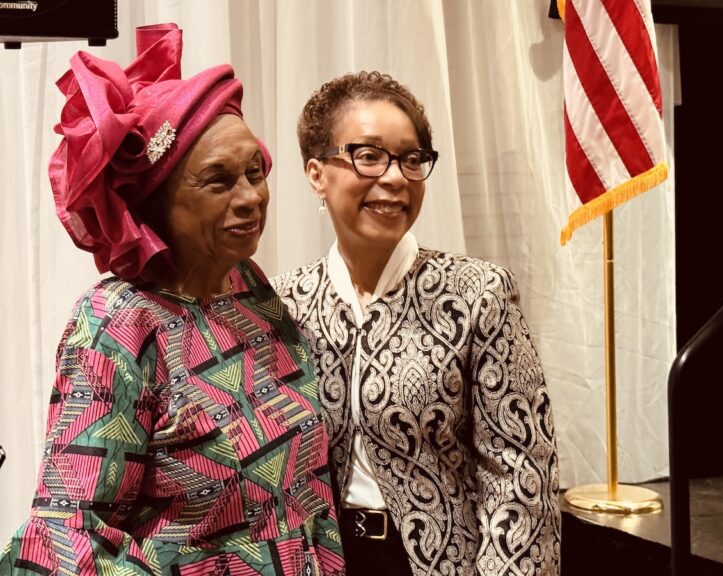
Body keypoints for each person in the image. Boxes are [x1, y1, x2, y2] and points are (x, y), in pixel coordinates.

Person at [0, 24, 344, 576]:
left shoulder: (249, 288)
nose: (251, 197)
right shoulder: (118, 325)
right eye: (218, 180)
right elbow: (68, 538)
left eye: (255, 172)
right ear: (158, 198)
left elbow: (303, 497)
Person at [272, 71, 561, 576]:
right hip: (316, 561)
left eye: (411, 159)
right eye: (368, 155)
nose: (395, 178)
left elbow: (519, 475)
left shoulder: (477, 294)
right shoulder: (283, 303)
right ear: (316, 173)